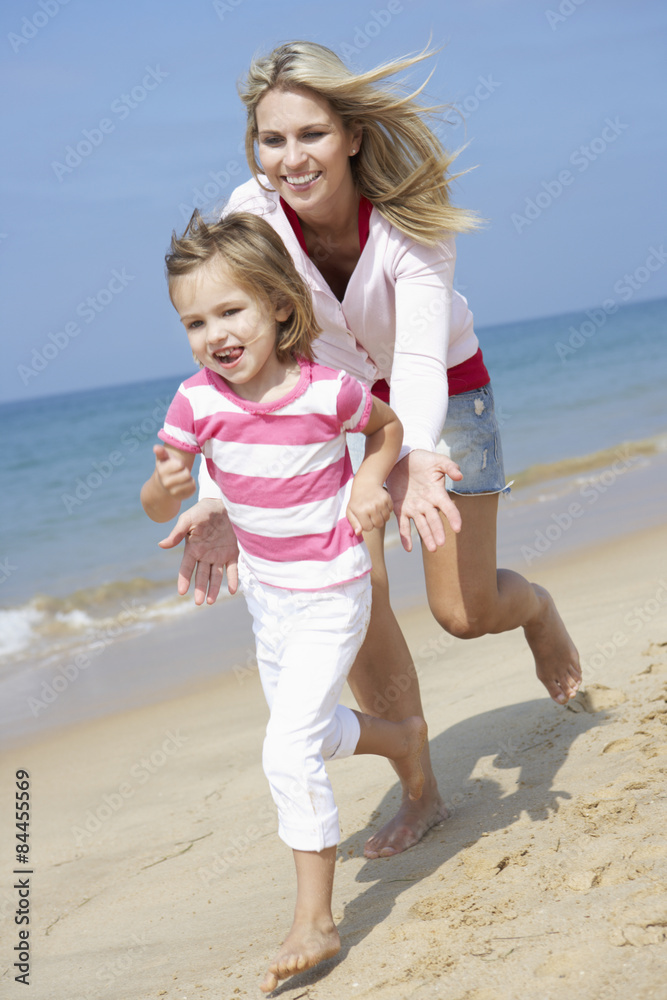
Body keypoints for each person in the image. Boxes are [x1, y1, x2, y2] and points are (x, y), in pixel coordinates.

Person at [159, 40, 582, 862]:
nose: (291, 159)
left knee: (463, 614)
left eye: (310, 134)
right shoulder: (250, 214)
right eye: (272, 140)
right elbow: (234, 361)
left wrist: (417, 452)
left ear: (350, 133)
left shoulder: (412, 215)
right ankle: (422, 791)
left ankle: (532, 609)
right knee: (352, 598)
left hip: (444, 392)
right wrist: (213, 486)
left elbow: (419, 361)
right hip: (330, 407)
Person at [141, 210, 427, 991]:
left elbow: (388, 426)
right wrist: (172, 495)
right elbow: (157, 498)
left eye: (229, 311)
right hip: (268, 597)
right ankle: (399, 739)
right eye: (193, 321)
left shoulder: (325, 392)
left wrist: (370, 482)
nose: (214, 335)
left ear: (276, 303)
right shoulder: (196, 402)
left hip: (334, 587)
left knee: (282, 748)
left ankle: (316, 920)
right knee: (305, 733)